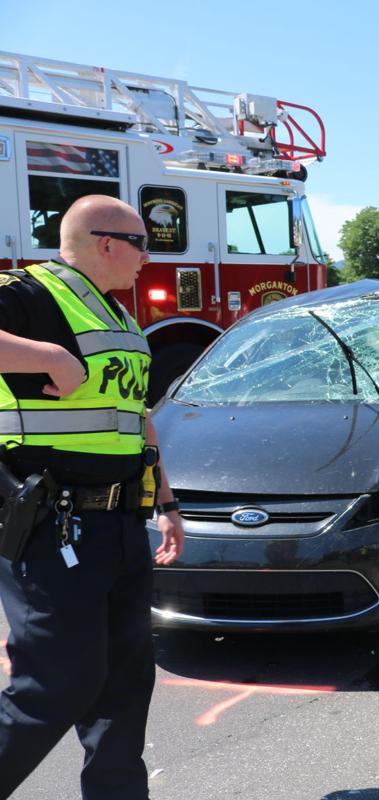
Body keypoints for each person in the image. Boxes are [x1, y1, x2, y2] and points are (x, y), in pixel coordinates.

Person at [0, 195, 185, 799]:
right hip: (55, 528)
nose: (148, 261)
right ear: (107, 243)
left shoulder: (118, 318)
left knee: (125, 685)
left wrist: (166, 503)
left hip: (121, 528)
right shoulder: (30, 294)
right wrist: (44, 355)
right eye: (143, 245)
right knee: (55, 686)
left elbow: (135, 420)